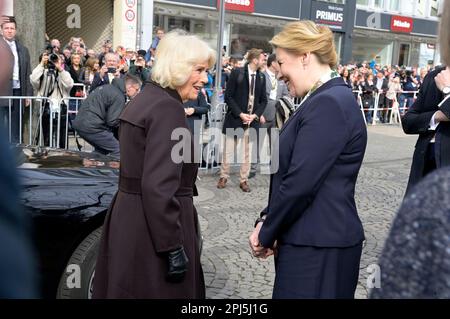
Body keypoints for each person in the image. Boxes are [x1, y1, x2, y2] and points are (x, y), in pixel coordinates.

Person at [249, 21, 367, 299]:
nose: (278, 74)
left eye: (281, 62)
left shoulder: (329, 103)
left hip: (319, 247)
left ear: (304, 57)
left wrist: (266, 232)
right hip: (313, 242)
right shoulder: (324, 98)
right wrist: (267, 218)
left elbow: (301, 182)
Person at [93, 30, 215, 299]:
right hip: (154, 232)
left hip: (133, 220)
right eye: (200, 70)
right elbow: (159, 186)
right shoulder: (167, 109)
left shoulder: (146, 99)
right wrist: (173, 247)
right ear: (179, 67)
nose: (205, 79)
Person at [401, 7, 450, 195]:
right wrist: (436, 116)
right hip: (423, 167)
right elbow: (408, 121)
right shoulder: (433, 76)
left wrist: (447, 90)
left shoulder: (443, 82)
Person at [217, 48, 268, 193]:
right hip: (235, 119)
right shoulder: (237, 73)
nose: (264, 61)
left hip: (252, 122)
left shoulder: (262, 77)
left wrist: (255, 115)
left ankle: (243, 180)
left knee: (248, 153)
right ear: (254, 60)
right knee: (228, 151)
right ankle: (223, 176)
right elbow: (229, 96)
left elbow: (263, 101)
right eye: (262, 58)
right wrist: (240, 114)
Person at [72, 75, 142, 159]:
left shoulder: (108, 87)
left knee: (102, 150)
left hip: (83, 123)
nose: (138, 93)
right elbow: (112, 121)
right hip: (92, 126)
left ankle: (92, 169)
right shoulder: (119, 96)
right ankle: (113, 172)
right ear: (130, 87)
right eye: (137, 90)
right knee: (118, 150)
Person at [30, 52, 74, 148]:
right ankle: (48, 158)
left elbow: (69, 84)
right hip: (46, 108)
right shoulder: (43, 73)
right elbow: (33, 80)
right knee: (47, 138)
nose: (52, 62)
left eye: (55, 59)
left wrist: (60, 69)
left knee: (62, 139)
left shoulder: (63, 72)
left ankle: (62, 157)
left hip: (61, 107)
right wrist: (41, 65)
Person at [0, 15, 33, 144]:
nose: (9, 30)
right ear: (2, 30)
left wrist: (28, 95)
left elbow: (27, 73)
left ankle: (16, 151)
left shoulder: (23, 49)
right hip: (1, 92)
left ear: (16, 30)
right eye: (6, 28)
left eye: (12, 28)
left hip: (18, 91)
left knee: (16, 124)